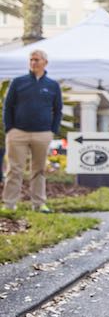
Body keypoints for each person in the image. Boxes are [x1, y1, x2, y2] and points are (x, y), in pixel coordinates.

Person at [2, 49, 63, 212]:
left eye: (37, 60)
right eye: (31, 60)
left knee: (39, 170)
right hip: (18, 133)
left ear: (45, 62)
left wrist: (52, 131)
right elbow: (8, 107)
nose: (33, 63)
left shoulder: (52, 85)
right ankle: (9, 204)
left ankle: (39, 204)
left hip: (42, 134)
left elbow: (58, 110)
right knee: (14, 169)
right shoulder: (18, 82)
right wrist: (10, 129)